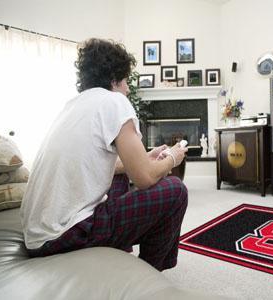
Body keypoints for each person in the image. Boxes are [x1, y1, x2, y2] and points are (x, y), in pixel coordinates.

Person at [20, 38, 188, 271]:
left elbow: (100, 163)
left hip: (37, 237)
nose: (128, 88)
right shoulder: (114, 101)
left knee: (117, 174)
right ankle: (149, 274)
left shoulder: (73, 105)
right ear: (114, 79)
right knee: (176, 191)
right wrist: (173, 157)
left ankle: (119, 252)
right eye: (126, 80)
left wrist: (145, 157)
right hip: (66, 236)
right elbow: (145, 179)